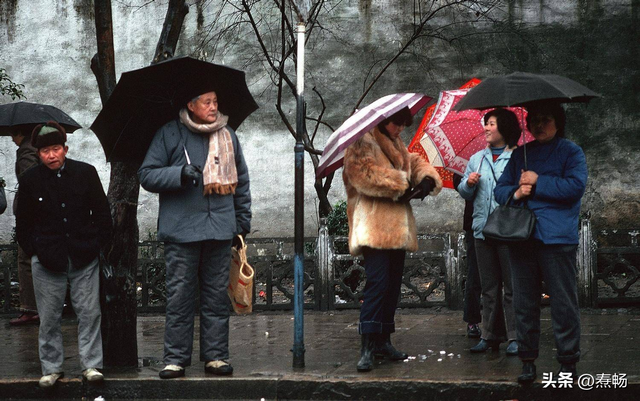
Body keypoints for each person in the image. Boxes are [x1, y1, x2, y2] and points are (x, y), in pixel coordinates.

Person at [138, 90, 251, 379]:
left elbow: (242, 179)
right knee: (180, 298)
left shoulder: (227, 135)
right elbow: (147, 174)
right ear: (191, 105)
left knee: (215, 297)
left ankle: (216, 357)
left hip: (220, 229)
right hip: (182, 232)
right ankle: (175, 359)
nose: (214, 107)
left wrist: (242, 219)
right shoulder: (169, 134)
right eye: (207, 102)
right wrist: (178, 174)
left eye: (216, 101)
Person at [342, 106, 442, 372]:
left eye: (402, 125)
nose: (400, 130)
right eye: (396, 124)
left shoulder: (395, 142)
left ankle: (384, 339)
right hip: (373, 226)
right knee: (378, 282)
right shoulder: (363, 141)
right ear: (385, 121)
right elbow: (363, 175)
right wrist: (402, 183)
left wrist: (426, 180)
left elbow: (413, 161)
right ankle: (367, 344)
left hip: (397, 226)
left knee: (392, 285)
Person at [495, 102, 587, 384]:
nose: (539, 125)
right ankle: (527, 360)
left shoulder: (570, 151)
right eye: (534, 120)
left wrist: (538, 181)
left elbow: (574, 187)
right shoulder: (522, 153)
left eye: (546, 119)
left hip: (557, 239)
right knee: (524, 303)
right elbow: (500, 191)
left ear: (558, 123)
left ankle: (568, 362)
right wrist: (518, 193)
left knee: (563, 303)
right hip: (522, 238)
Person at [15, 121, 112, 388]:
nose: (51, 155)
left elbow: (102, 213)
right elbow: (23, 223)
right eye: (45, 151)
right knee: (48, 317)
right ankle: (51, 368)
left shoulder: (86, 173)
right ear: (38, 154)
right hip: (47, 259)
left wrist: (95, 245)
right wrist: (35, 251)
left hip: (83, 256)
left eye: (56, 149)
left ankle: (91, 365)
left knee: (89, 313)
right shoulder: (30, 180)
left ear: (65, 149)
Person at [458, 108, 520, 356]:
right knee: (489, 287)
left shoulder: (516, 158)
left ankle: (515, 336)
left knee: (511, 286)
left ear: (503, 127)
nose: (486, 128)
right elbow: (464, 192)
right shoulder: (477, 159)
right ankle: (489, 335)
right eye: (486, 124)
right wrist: (468, 184)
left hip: (507, 230)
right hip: (482, 231)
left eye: (491, 124)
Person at [9, 128, 41, 326]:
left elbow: (29, 180)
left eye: (13, 134)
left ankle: (30, 309)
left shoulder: (26, 150)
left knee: (25, 261)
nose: (11, 138)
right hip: (37, 212)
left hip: (30, 214)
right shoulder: (37, 147)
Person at [453, 174, 481, 339]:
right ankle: (472, 321)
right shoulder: (471, 161)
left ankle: (505, 327)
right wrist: (469, 182)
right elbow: (459, 184)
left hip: (503, 220)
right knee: (474, 275)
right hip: (474, 223)